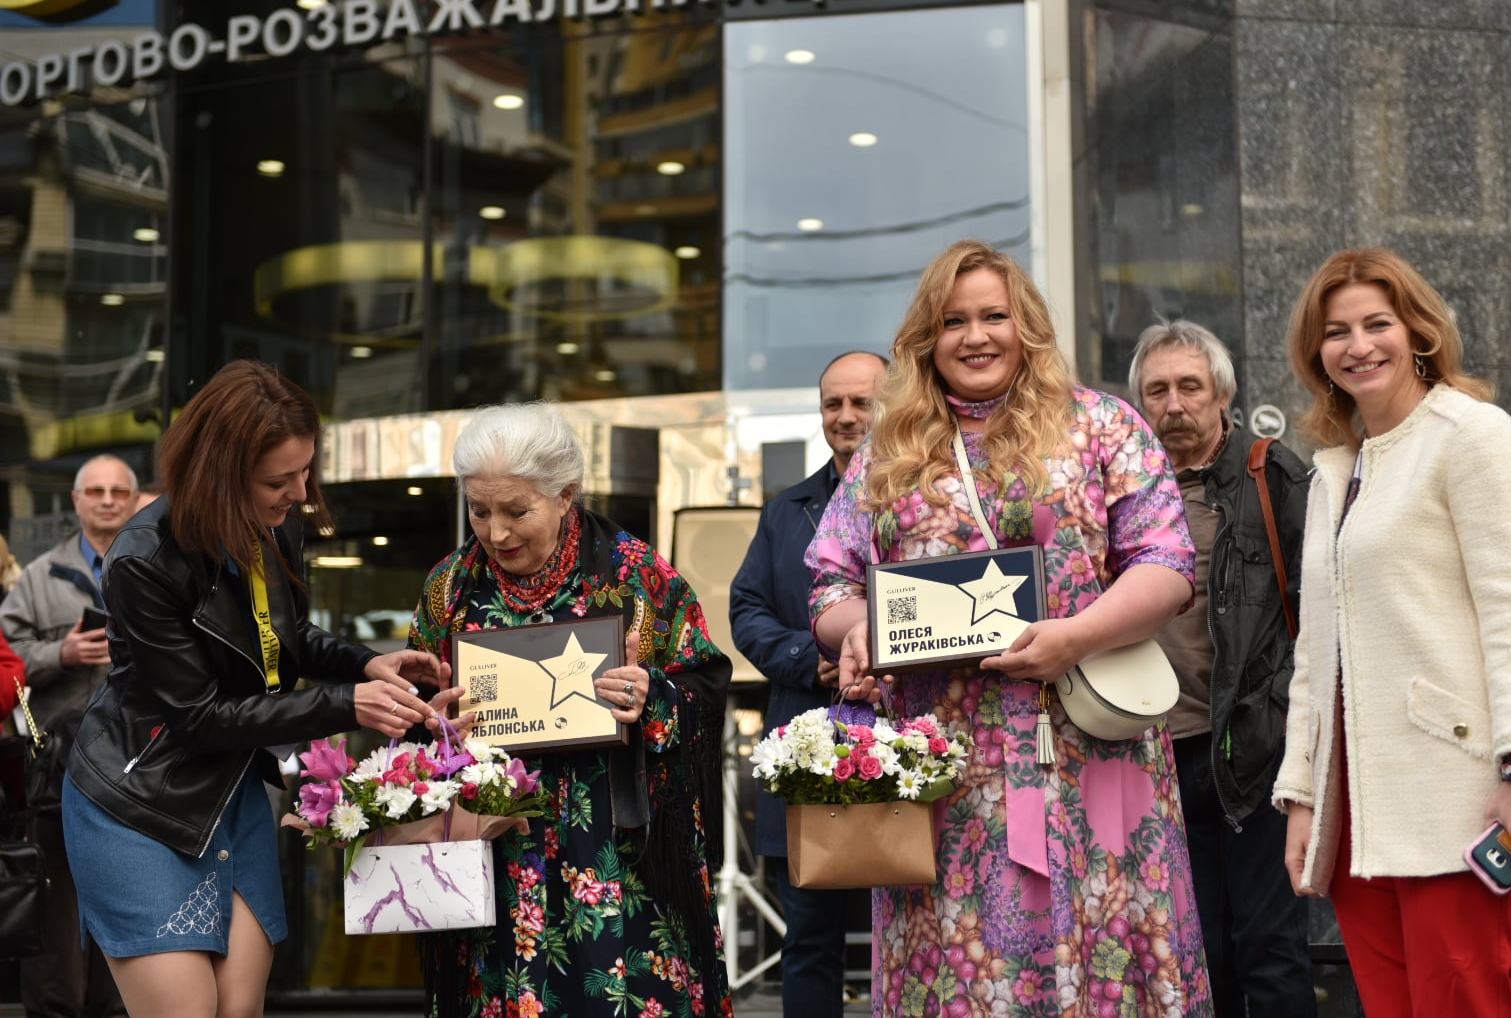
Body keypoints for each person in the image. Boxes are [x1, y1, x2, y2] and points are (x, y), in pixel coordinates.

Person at [809, 239, 1211, 1016]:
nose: (975, 336)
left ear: (1025, 324)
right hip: (948, 772)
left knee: (1115, 950)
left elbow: (1167, 562)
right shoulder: (889, 452)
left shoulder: (1101, 426)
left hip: (1096, 752)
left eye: (994, 315)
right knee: (961, 974)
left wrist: (1078, 636)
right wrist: (855, 629)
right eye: (953, 321)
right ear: (927, 339)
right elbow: (830, 581)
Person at [62, 360, 446, 1018]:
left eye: (305, 472)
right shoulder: (142, 558)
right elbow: (200, 717)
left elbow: (282, 639)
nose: (299, 492)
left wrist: (368, 664)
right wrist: (346, 704)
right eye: (279, 479)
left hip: (232, 792)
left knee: (239, 1010)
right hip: (141, 804)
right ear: (222, 471)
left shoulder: (272, 523)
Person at [1274, 248, 1511, 1016]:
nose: (1359, 345)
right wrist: (1303, 796)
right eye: (1337, 331)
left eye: (1379, 323)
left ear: (1421, 332)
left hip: (1461, 804)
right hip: (1361, 824)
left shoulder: (1472, 436)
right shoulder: (1336, 470)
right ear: (1317, 353)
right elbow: (1316, 654)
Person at [409, 401, 734, 1018]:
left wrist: (650, 696)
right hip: (496, 852)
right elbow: (416, 702)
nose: (496, 532)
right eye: (479, 510)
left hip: (615, 848)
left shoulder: (635, 575)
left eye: (516, 511)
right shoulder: (450, 588)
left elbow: (705, 686)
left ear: (565, 495)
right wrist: (435, 720)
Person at [1129, 321, 1316, 1016]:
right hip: (1153, 755)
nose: (1173, 404)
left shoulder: (1273, 474)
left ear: (1222, 396)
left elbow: (1319, 610)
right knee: (1195, 956)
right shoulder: (1118, 496)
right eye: (1157, 390)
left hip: (1254, 748)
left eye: (1189, 387)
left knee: (1269, 948)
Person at [729, 349, 888, 1016]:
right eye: (833, 403)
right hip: (809, 744)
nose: (846, 416)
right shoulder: (785, 511)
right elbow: (746, 610)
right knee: (811, 937)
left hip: (909, 742)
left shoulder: (932, 497)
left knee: (914, 930)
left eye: (861, 402)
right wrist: (807, 655)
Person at [1, 453, 142, 1018]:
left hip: (138, 767)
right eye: (96, 491)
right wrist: (61, 652)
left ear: (132, 501)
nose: (107, 500)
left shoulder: (157, 566)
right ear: (78, 501)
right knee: (57, 903)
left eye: (118, 491)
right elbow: (7, 656)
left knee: (125, 899)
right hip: (60, 770)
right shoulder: (40, 575)